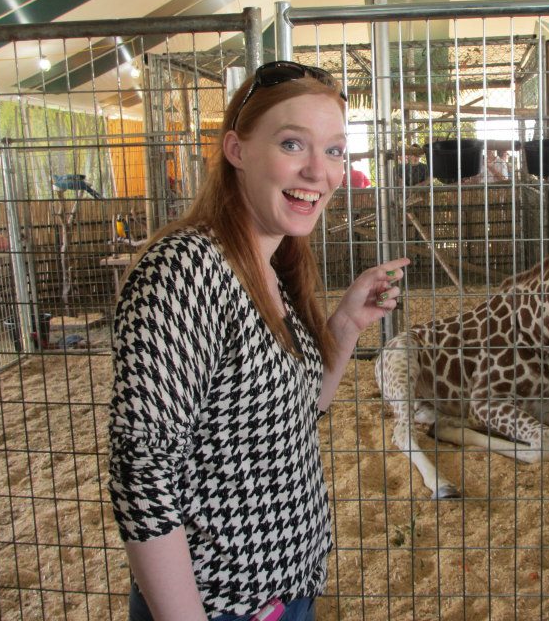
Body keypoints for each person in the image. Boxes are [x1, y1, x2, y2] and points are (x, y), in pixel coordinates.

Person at [108, 60, 409, 621]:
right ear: (237, 150)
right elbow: (141, 472)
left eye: (335, 150)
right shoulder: (186, 269)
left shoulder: (270, 266)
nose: (319, 171)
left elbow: (296, 414)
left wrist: (346, 325)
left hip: (284, 592)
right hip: (221, 605)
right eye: (293, 144)